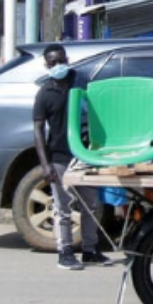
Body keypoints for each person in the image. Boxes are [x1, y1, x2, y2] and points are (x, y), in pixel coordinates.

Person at [31, 44, 111, 270]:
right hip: (59, 157)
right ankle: (64, 252)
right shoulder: (45, 94)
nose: (58, 66)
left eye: (61, 61)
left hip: (85, 154)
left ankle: (90, 250)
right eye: (53, 63)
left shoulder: (81, 82)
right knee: (62, 208)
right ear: (47, 65)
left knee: (91, 205)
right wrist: (45, 165)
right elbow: (37, 130)